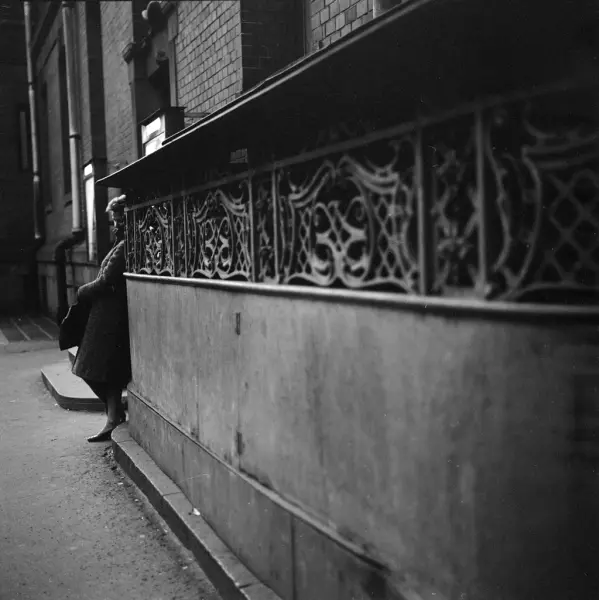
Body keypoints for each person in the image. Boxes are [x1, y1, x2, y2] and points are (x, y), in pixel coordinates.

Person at [72, 195, 132, 442]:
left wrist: (81, 291)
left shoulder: (125, 244)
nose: (116, 225)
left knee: (101, 370)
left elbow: (106, 280)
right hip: (104, 317)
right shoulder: (121, 242)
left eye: (119, 219)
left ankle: (113, 418)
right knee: (96, 370)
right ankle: (113, 416)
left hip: (112, 319)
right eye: (114, 220)